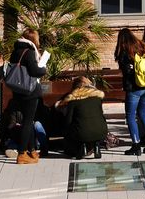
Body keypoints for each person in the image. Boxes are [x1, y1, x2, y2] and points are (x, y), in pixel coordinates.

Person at [8, 29, 48, 163]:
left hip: (18, 90)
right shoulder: (30, 52)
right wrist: (44, 68)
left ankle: (31, 151)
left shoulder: (15, 51)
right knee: (28, 121)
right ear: (34, 40)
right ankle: (22, 154)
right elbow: (35, 71)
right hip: (30, 92)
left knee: (27, 121)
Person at [115, 27, 145, 156]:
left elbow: (126, 71)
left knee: (131, 116)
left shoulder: (125, 52)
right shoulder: (142, 47)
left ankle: (136, 145)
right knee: (143, 114)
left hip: (134, 89)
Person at [56, 76, 108, 160]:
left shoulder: (73, 100)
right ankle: (96, 146)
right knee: (89, 126)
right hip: (102, 131)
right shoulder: (97, 98)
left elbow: (68, 121)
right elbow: (101, 114)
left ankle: (82, 147)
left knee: (78, 129)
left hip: (81, 133)